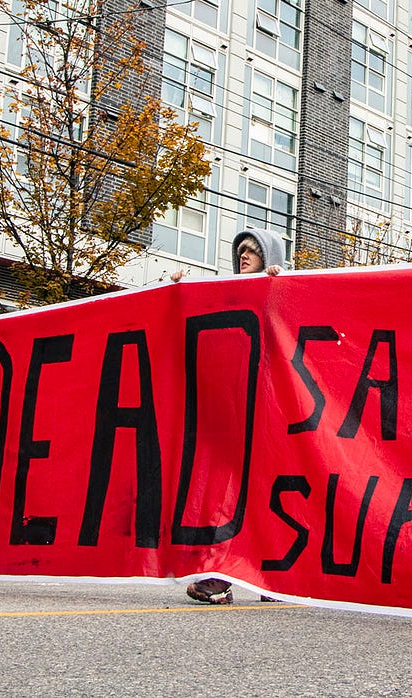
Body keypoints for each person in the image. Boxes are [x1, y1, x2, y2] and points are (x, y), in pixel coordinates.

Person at [172, 228, 284, 605]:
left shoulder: (279, 293)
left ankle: (257, 576)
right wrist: (176, 293)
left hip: (266, 411)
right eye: (241, 253)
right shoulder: (226, 296)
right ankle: (235, 575)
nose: (244, 258)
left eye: (252, 253)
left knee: (250, 495)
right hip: (231, 412)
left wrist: (281, 287)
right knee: (231, 494)